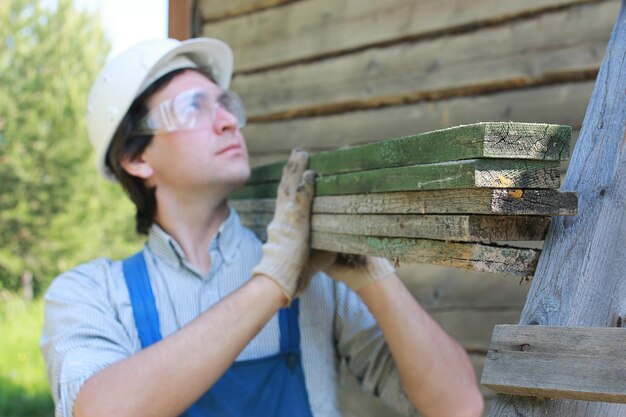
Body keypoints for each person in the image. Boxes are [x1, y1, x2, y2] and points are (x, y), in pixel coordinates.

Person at [40, 37, 483, 417]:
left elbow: (458, 405)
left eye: (226, 103)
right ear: (136, 158)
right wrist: (273, 281)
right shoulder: (90, 293)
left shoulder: (316, 274)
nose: (229, 120)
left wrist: (375, 278)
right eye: (194, 107)